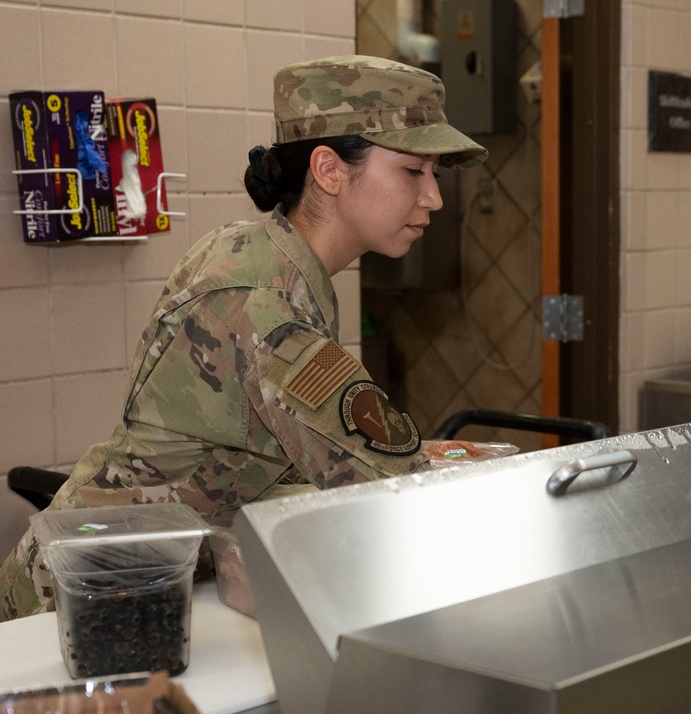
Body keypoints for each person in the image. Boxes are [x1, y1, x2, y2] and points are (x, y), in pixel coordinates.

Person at [0, 55, 487, 620]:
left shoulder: (259, 251)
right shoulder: (268, 303)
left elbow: (312, 451)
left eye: (435, 175)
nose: (434, 197)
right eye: (413, 172)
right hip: (87, 602)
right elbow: (390, 486)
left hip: (139, 579)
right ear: (328, 171)